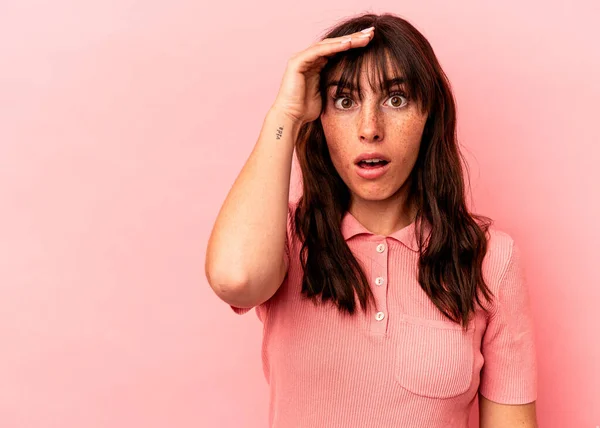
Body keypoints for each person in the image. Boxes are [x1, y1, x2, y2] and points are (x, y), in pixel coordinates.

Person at [205, 12, 538, 428]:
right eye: (344, 101)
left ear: (429, 115)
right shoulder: (287, 238)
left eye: (395, 99)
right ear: (320, 120)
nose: (369, 128)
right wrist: (285, 115)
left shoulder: (492, 258)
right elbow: (235, 278)